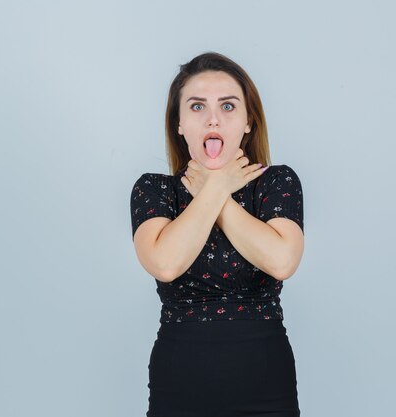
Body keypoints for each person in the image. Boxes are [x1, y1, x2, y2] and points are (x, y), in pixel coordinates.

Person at [130, 52, 304, 416]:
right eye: (196, 107)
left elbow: (282, 261)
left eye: (228, 106)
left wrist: (216, 190)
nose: (212, 118)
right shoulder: (154, 190)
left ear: (247, 121)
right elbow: (165, 263)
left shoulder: (277, 182)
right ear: (179, 123)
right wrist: (216, 187)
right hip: (179, 387)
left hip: (266, 385)